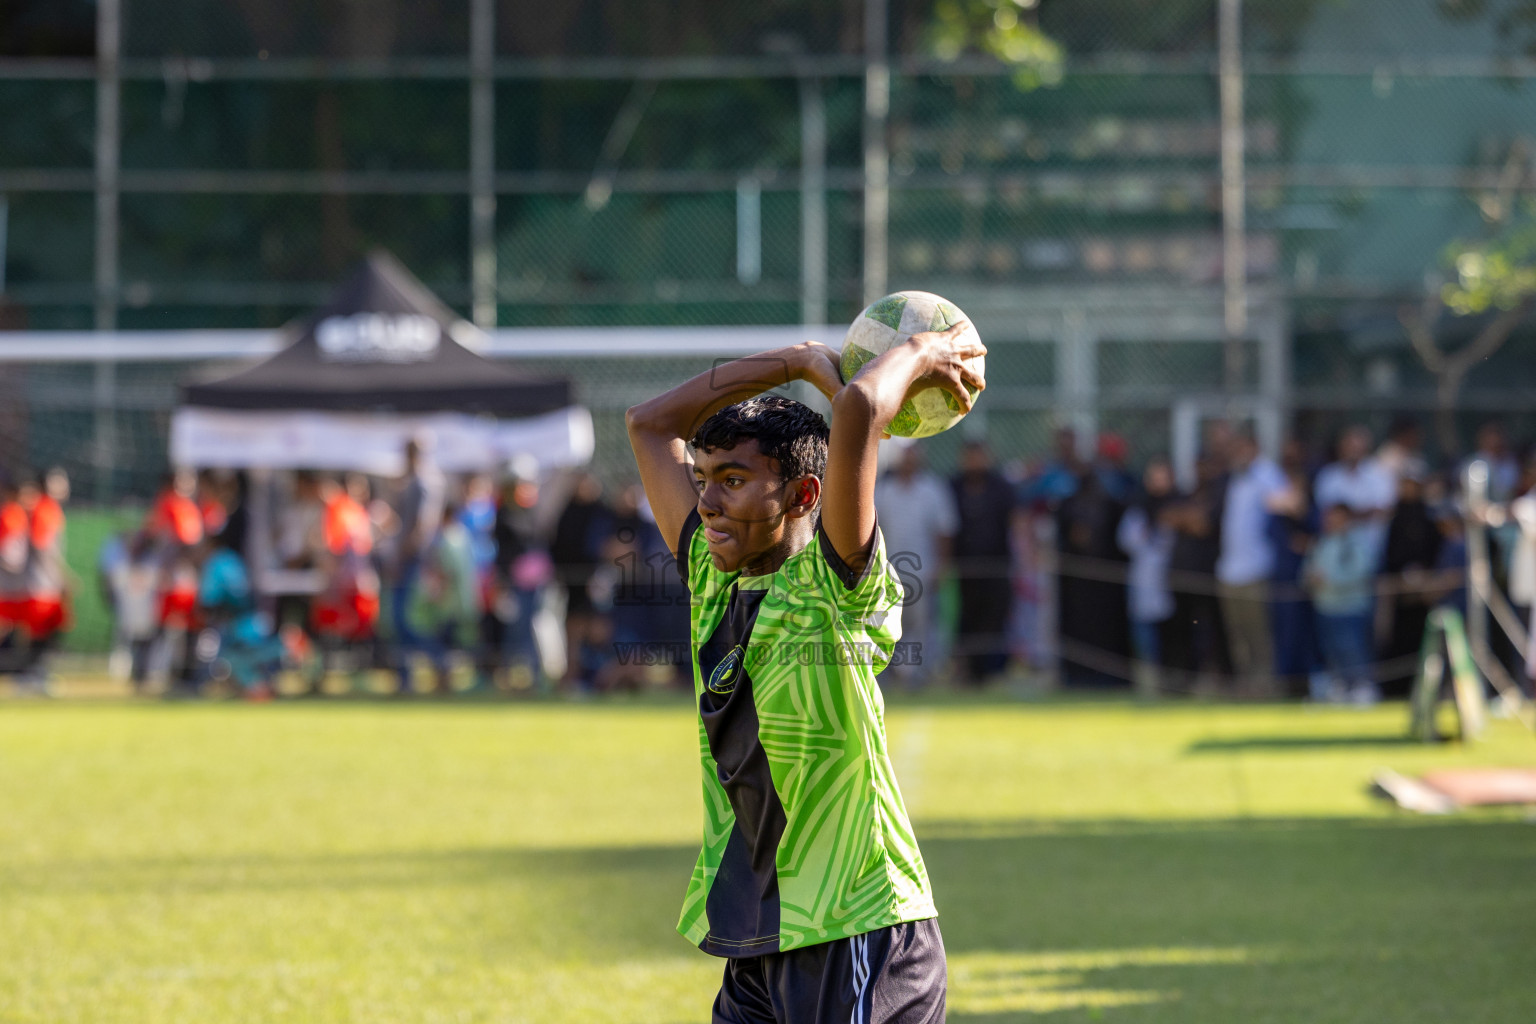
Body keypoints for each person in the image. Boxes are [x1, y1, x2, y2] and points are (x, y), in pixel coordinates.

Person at [625, 321, 980, 1021]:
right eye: (702, 480)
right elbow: (648, 422)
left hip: (855, 922)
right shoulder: (711, 574)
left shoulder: (834, 580)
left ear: (803, 494)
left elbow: (856, 412)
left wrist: (920, 352)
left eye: (732, 481)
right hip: (758, 930)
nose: (707, 502)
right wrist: (792, 361)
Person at [873, 442, 957, 687]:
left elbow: (944, 531)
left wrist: (941, 566)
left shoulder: (933, 489)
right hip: (887, 573)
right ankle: (889, 673)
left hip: (923, 571)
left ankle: (917, 675)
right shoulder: (884, 491)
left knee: (921, 625)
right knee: (886, 623)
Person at [1215, 430, 1288, 697]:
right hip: (1229, 569)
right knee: (1237, 634)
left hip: (1256, 568)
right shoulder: (1233, 479)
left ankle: (1265, 685)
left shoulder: (1268, 475)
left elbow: (1285, 507)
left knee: (1260, 633)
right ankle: (1246, 684)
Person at [951, 441, 1016, 684]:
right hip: (965, 568)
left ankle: (994, 671)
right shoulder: (954, 486)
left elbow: (1015, 522)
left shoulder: (1001, 487)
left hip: (997, 566)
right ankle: (968, 671)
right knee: (967, 618)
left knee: (996, 617)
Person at [1305, 504, 1381, 705]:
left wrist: (1328, 581)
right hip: (1325, 607)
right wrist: (1310, 579)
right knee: (1332, 650)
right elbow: (1308, 570)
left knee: (1352, 649)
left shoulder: (1357, 542)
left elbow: (1360, 573)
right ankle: (1341, 686)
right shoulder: (1321, 542)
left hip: (1351, 608)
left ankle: (1362, 687)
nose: (1332, 523)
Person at [1378, 469, 1443, 698]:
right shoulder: (1396, 518)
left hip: (1425, 593)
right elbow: (1390, 554)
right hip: (1400, 593)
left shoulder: (1429, 517)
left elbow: (1435, 549)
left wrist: (1424, 573)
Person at [1117, 457, 1176, 695]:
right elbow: (1126, 540)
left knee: (1171, 633)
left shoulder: (1177, 506)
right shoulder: (1138, 508)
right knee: (1142, 633)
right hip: (1143, 580)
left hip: (1172, 580)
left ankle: (1172, 681)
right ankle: (1148, 682)